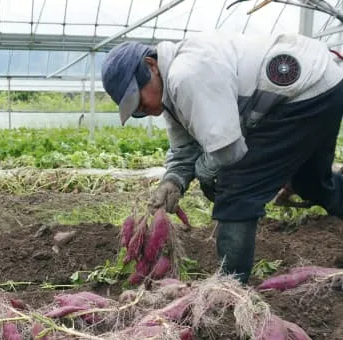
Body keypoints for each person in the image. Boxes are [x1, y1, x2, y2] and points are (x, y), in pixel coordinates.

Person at [101, 31, 343, 283]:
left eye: (138, 101)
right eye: (135, 111)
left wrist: (204, 173)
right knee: (311, 183)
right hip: (325, 84)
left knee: (238, 189)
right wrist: (173, 180)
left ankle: (229, 288)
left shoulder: (186, 75)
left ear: (151, 67)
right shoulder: (170, 92)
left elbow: (228, 150)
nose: (141, 110)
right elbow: (185, 150)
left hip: (302, 90)